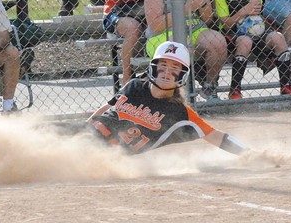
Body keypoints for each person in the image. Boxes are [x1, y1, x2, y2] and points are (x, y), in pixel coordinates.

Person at [83, 41, 248, 155]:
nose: (167, 72)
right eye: (163, 65)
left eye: (175, 68)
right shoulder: (134, 86)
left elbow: (215, 136)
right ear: (153, 69)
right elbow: (108, 106)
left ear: (182, 75)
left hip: (106, 153)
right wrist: (84, 126)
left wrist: (250, 154)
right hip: (87, 136)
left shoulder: (181, 115)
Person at [144, 0, 227, 102]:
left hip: (195, 28)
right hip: (162, 35)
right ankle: (178, 99)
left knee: (218, 42)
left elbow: (208, 18)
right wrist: (187, 8)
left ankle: (210, 87)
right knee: (183, 47)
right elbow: (155, 25)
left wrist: (202, 1)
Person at [215, 0, 291, 100]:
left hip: (258, 30)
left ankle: (287, 84)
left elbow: (256, 8)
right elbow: (226, 23)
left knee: (278, 38)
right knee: (245, 41)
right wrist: (242, 12)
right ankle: (235, 89)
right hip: (235, 33)